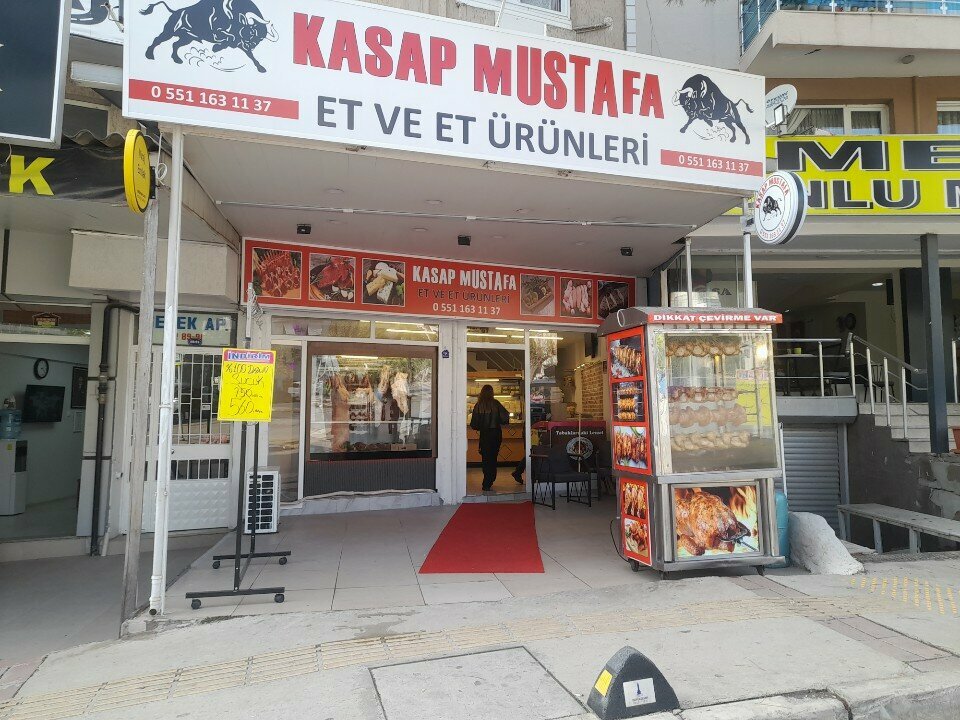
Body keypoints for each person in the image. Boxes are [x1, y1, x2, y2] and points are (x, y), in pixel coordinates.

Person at [470, 384, 510, 492]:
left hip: (485, 435)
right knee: (493, 457)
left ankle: (487, 481)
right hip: (496, 434)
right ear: (492, 393)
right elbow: (505, 418)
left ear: (481, 393)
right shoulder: (496, 404)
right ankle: (490, 479)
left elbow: (474, 424)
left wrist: (481, 425)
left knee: (485, 458)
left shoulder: (478, 405)